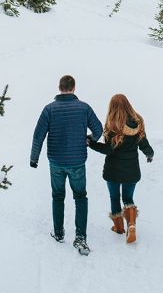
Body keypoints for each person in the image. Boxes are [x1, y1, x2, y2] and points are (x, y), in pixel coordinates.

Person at [30, 75, 103, 256]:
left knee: (57, 196)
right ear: (74, 88)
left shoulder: (49, 109)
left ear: (59, 87)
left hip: (56, 161)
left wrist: (34, 159)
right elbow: (99, 129)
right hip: (77, 160)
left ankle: (59, 233)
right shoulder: (84, 108)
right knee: (80, 196)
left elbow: (38, 135)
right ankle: (80, 236)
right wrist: (90, 139)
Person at [87, 93, 154, 244]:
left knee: (115, 197)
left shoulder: (112, 125)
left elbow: (108, 150)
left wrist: (91, 144)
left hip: (113, 170)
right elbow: (144, 145)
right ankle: (131, 225)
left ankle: (118, 227)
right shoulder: (138, 123)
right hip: (132, 170)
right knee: (128, 198)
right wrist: (150, 154)